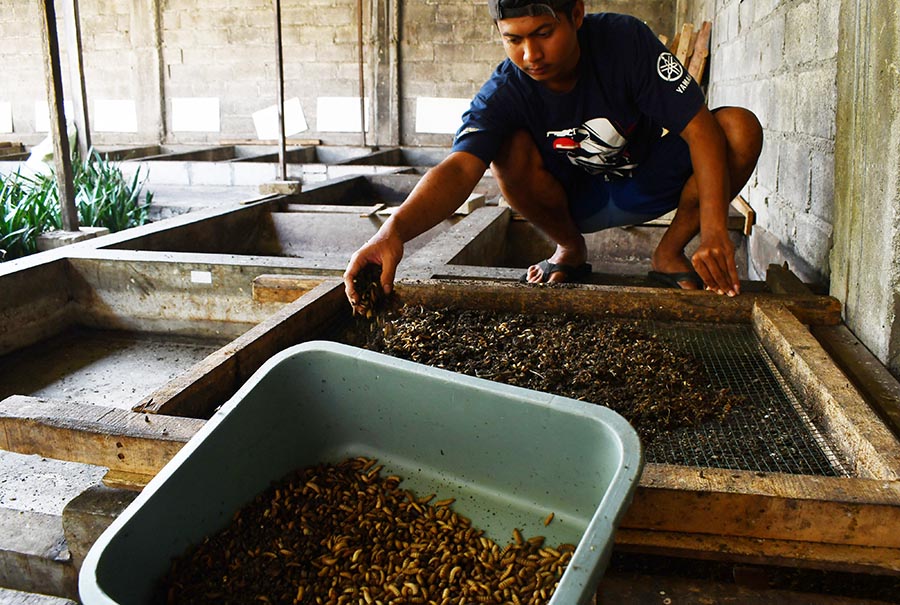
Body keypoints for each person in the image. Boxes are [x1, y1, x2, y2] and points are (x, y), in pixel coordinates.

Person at [344, 0, 763, 310]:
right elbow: (459, 168)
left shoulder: (624, 42)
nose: (530, 55)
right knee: (504, 148)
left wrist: (713, 232)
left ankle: (668, 252)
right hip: (574, 203)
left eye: (544, 33)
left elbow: (700, 128)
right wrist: (392, 232)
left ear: (576, 14)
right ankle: (569, 249)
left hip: (646, 181)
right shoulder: (504, 91)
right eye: (514, 39)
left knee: (738, 128)